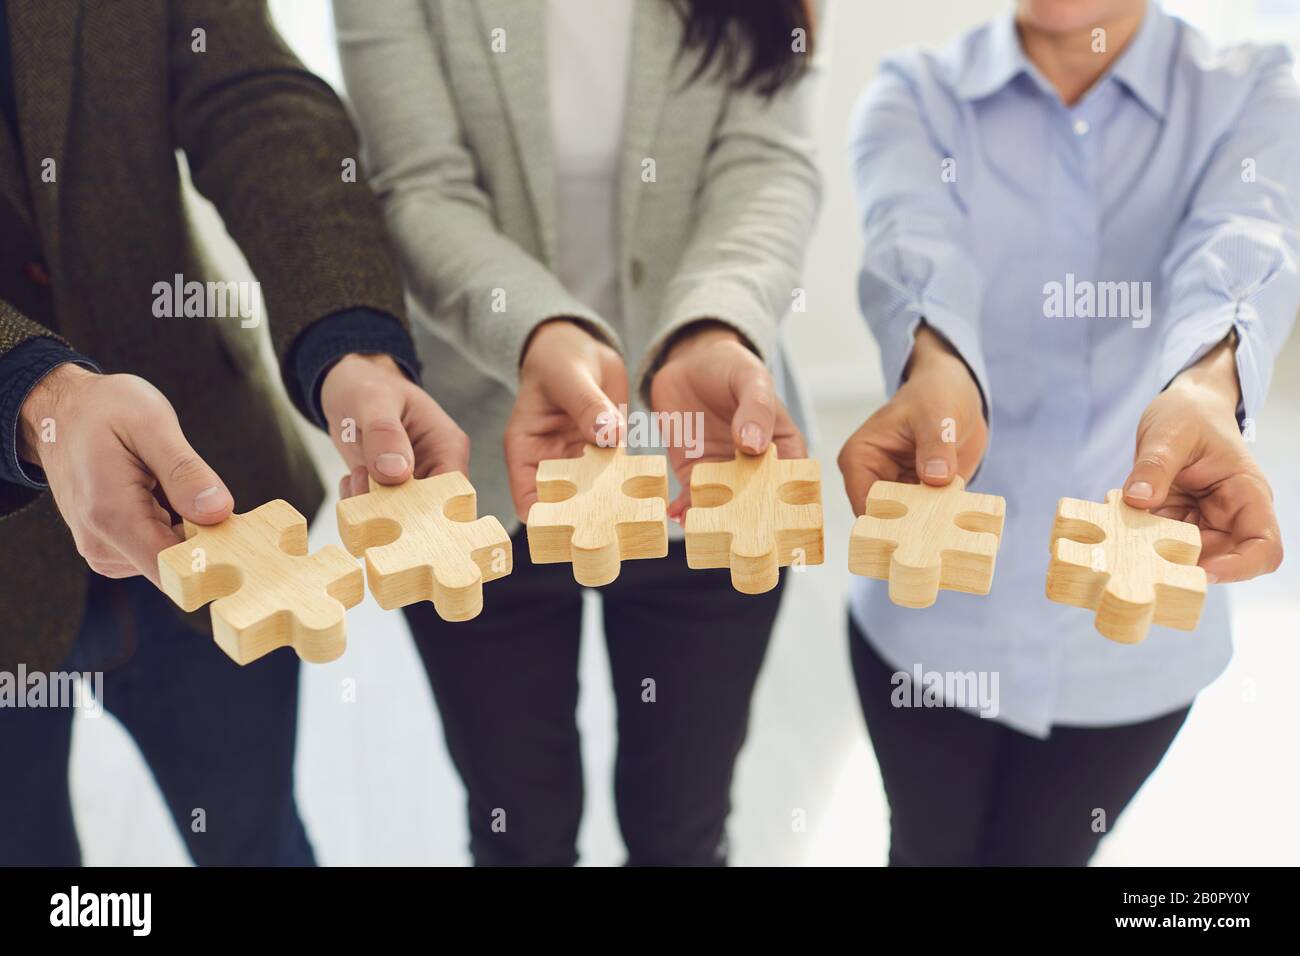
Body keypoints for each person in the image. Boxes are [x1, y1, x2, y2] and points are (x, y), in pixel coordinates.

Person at [335, 0, 822, 865]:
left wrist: (710, 327)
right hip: (482, 463)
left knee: (684, 832)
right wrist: (539, 330)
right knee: (517, 830)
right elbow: (419, 188)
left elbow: (769, 165)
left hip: (712, 454)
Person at [0, 0, 467, 865]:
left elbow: (251, 96)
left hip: (211, 490)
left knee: (257, 841)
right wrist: (29, 389)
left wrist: (348, 340)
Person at [840, 0, 1297, 865]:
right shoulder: (915, 92)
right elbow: (915, 240)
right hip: (928, 629)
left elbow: (1244, 236)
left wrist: (1204, 387)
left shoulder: (1254, 89)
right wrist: (939, 365)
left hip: (1131, 659)